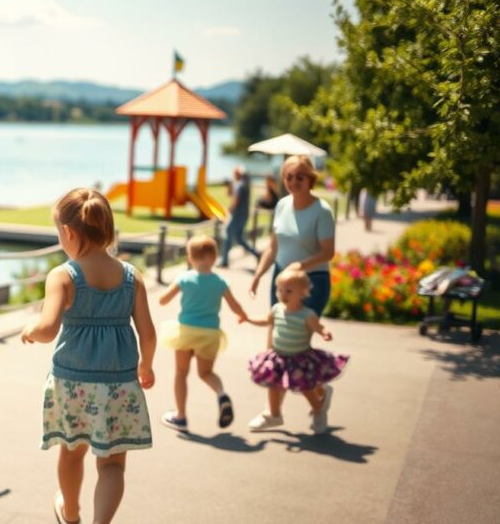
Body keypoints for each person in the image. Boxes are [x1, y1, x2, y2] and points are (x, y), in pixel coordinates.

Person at [21, 188, 155, 524]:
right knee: (112, 464)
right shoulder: (130, 277)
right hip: (119, 382)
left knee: (71, 450)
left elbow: (48, 328)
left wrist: (30, 330)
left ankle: (71, 512)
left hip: (73, 384)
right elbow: (148, 333)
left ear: (67, 232)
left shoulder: (63, 276)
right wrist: (146, 365)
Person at [157, 235, 250, 432]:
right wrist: (243, 316)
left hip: (186, 332)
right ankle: (221, 394)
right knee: (206, 373)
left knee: (181, 373)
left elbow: (163, 300)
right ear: (214, 257)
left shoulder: (184, 278)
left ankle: (180, 416)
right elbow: (235, 305)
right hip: (210, 334)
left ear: (190, 258)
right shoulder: (220, 282)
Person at [244, 269, 349, 434]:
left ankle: (318, 410)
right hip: (279, 357)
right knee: (273, 385)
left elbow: (319, 327)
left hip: (299, 358)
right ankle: (274, 415)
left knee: (306, 388)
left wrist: (324, 333)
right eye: (279, 290)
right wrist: (249, 319)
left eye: (289, 291)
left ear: (303, 293)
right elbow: (266, 320)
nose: (283, 294)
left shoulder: (306, 314)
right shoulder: (277, 309)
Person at [249, 155, 336, 317]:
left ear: (311, 179)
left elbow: (328, 253)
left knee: (299, 337)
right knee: (277, 330)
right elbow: (272, 247)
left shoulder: (322, 210)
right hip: (281, 278)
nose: (294, 182)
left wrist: (299, 266)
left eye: (300, 177)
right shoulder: (282, 205)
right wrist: (258, 275)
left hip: (311, 282)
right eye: (289, 177)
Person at [219, 166, 261, 267]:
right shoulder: (244, 185)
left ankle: (224, 261)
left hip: (237, 215)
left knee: (227, 235)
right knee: (239, 238)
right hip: (243, 215)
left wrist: (229, 209)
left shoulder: (239, 185)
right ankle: (256, 253)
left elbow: (235, 200)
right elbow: (230, 195)